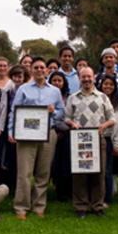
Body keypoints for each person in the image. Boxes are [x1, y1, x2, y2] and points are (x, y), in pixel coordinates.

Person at [8, 57, 64, 219]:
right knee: (24, 173)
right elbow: (15, 110)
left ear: (47, 71)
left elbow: (62, 111)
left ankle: (39, 206)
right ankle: (21, 208)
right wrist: (11, 131)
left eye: (42, 67)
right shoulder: (23, 89)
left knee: (43, 172)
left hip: (48, 134)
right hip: (26, 135)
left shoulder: (54, 91)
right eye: (36, 68)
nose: (40, 70)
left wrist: (54, 111)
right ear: (31, 70)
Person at [65, 67, 115, 219]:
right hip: (78, 140)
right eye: (83, 77)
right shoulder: (72, 98)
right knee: (79, 174)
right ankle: (81, 206)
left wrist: (104, 125)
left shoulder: (103, 97)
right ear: (79, 78)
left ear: (94, 78)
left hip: (97, 139)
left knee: (98, 173)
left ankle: (97, 206)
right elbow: (66, 117)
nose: (86, 79)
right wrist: (72, 124)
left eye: (89, 77)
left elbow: (112, 118)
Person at [98, 75, 118, 206]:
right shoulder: (97, 99)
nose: (108, 87)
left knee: (107, 170)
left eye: (111, 84)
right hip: (96, 137)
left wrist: (117, 145)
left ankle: (107, 198)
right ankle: (97, 195)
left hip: (109, 139)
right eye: (105, 84)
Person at [48, 71, 71, 201]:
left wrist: (66, 129)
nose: (57, 83)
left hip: (67, 135)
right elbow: (53, 117)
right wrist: (58, 130)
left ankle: (64, 192)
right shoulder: (48, 95)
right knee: (52, 163)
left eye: (59, 80)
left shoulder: (70, 97)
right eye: (54, 80)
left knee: (65, 164)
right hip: (52, 132)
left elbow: (69, 115)